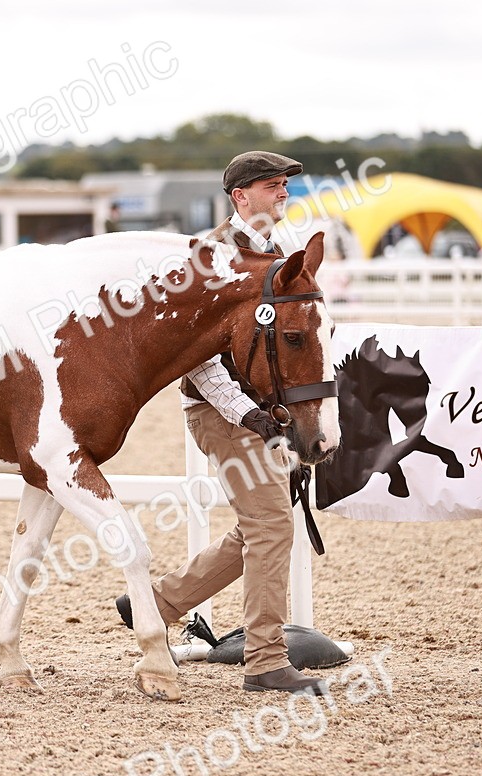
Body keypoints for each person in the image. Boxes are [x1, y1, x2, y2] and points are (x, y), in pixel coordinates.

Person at [115, 151, 328, 695]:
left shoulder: (273, 254)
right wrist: (251, 415)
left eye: (284, 186)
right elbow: (199, 359)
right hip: (220, 410)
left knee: (259, 527)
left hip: (258, 412)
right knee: (274, 526)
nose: (284, 195)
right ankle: (264, 661)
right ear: (241, 197)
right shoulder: (209, 259)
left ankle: (157, 603)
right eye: (274, 187)